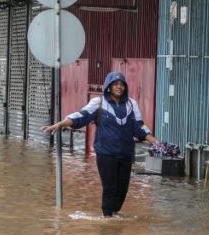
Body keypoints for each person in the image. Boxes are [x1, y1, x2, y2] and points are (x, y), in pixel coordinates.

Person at [43, 71, 158, 217]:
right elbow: (81, 116)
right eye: (115, 84)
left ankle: (114, 215)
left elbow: (139, 126)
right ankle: (107, 221)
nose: (119, 87)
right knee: (109, 188)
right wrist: (60, 124)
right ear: (109, 86)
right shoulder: (99, 103)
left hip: (126, 153)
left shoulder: (131, 104)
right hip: (106, 153)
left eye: (122, 84)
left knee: (122, 190)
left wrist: (153, 141)